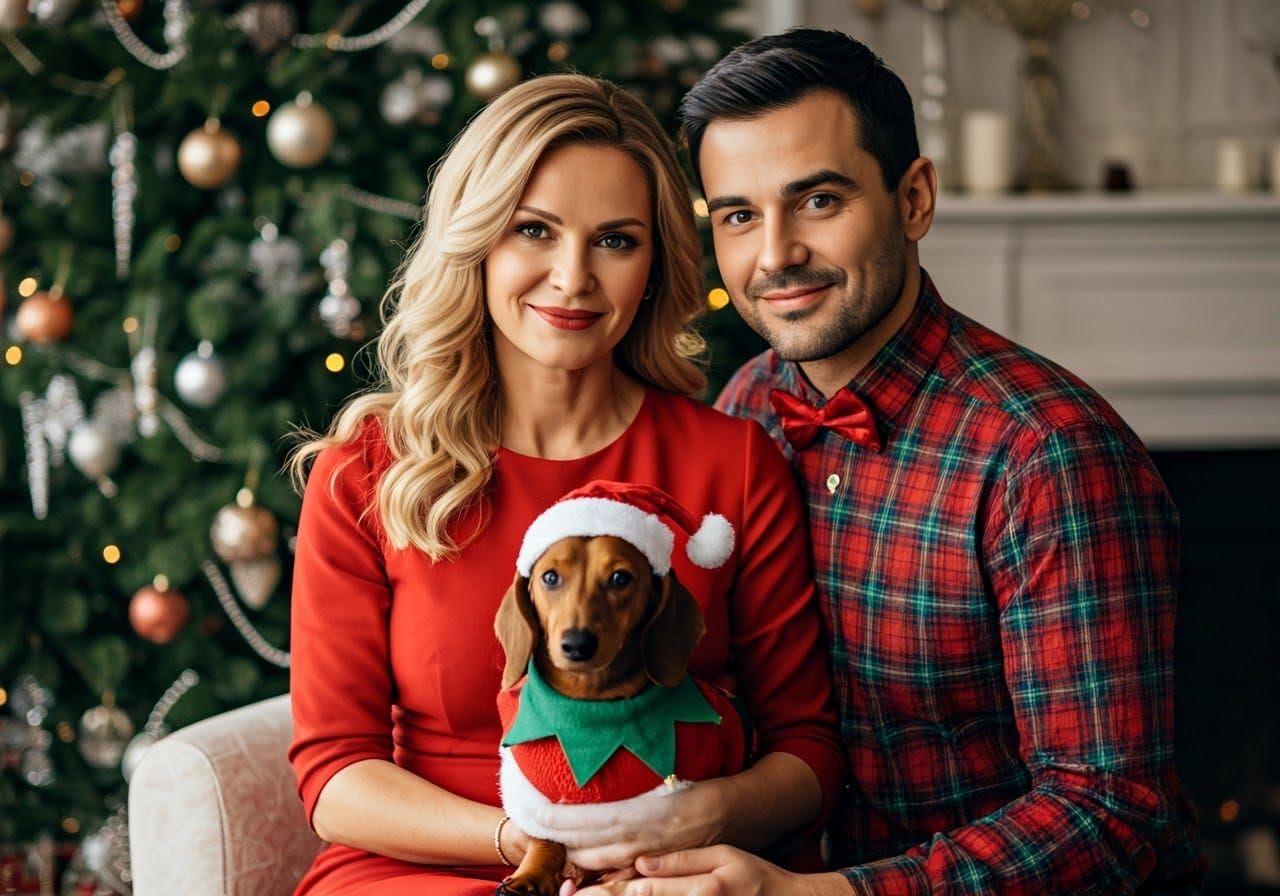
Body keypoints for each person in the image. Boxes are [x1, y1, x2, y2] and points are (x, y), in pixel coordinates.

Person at [564, 29, 1206, 895]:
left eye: (819, 201)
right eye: (739, 216)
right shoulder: (746, 408)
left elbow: (1115, 812)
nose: (776, 254)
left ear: (913, 199)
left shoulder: (1046, 455)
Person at [285, 73, 844, 896]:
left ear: (654, 265)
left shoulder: (734, 461)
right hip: (434, 865)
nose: (573, 276)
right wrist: (533, 844)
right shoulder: (368, 473)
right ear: (477, 242)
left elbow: (808, 749)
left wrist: (699, 819)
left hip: (672, 867)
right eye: (534, 230)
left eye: (616, 240)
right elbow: (336, 776)